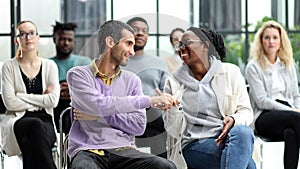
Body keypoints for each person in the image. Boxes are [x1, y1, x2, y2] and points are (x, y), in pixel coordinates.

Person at [66, 20, 177, 169]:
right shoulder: (78, 75)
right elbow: (97, 104)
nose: (132, 51)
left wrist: (100, 117)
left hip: (124, 151)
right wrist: (147, 101)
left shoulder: (132, 80)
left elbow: (138, 126)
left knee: (165, 166)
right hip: (88, 150)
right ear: (111, 42)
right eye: (128, 44)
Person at [163, 27, 256, 169]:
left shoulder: (231, 72)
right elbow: (172, 130)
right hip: (194, 145)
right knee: (248, 164)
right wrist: (174, 108)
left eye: (187, 42)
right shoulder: (173, 82)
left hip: (228, 138)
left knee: (243, 132)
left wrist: (233, 119)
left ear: (205, 46)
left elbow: (246, 111)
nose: (181, 48)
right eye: (179, 44)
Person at [0, 20, 60, 169]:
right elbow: (10, 103)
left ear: (38, 38)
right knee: (35, 124)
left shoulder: (50, 66)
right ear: (16, 40)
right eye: (23, 34)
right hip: (18, 120)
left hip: (46, 120)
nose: (28, 37)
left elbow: (53, 101)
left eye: (32, 33)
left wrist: (20, 95)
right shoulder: (8, 67)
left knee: (29, 143)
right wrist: (41, 99)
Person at [245, 20, 300, 169]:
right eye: (267, 37)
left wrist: (296, 109)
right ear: (261, 41)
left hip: (291, 117)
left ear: (281, 41)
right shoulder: (253, 67)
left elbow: (296, 95)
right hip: (264, 116)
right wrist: (293, 111)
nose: (271, 41)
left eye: (275, 37)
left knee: (291, 133)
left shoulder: (288, 64)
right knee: (296, 119)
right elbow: (262, 101)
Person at [123, 17, 169, 158]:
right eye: (135, 30)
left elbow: (165, 93)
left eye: (144, 31)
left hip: (153, 119)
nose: (140, 33)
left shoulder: (158, 62)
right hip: (125, 116)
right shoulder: (118, 62)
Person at [49, 21, 91, 131]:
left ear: (74, 41)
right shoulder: (46, 65)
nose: (66, 43)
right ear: (54, 40)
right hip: (55, 108)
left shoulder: (85, 62)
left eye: (70, 40)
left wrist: (73, 89)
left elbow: (93, 88)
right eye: (62, 39)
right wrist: (58, 89)